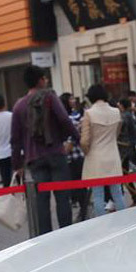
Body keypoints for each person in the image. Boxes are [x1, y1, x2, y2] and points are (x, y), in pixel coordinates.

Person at [10, 64, 80, 233]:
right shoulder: (50, 98)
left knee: (41, 200)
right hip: (56, 153)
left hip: (34, 159)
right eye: (45, 78)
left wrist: (17, 165)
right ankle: (66, 233)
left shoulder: (19, 106)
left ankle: (45, 237)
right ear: (41, 80)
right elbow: (64, 120)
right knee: (63, 198)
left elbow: (15, 140)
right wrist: (77, 138)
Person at [81, 84, 127, 217]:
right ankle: (125, 221)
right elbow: (116, 134)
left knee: (98, 196)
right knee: (117, 194)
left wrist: (86, 151)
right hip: (113, 155)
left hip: (95, 158)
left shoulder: (89, 113)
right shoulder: (116, 112)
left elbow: (85, 141)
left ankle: (101, 225)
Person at [60, 92, 88, 221]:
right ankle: (82, 211)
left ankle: (83, 212)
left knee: (79, 186)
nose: (73, 100)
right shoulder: (67, 117)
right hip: (73, 155)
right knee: (76, 186)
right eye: (70, 98)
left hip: (75, 154)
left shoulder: (75, 115)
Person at [116, 96, 136, 171]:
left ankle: (128, 181)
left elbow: (122, 128)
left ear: (122, 106)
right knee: (126, 163)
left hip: (124, 143)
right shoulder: (129, 115)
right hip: (129, 142)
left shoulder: (124, 116)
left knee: (124, 163)